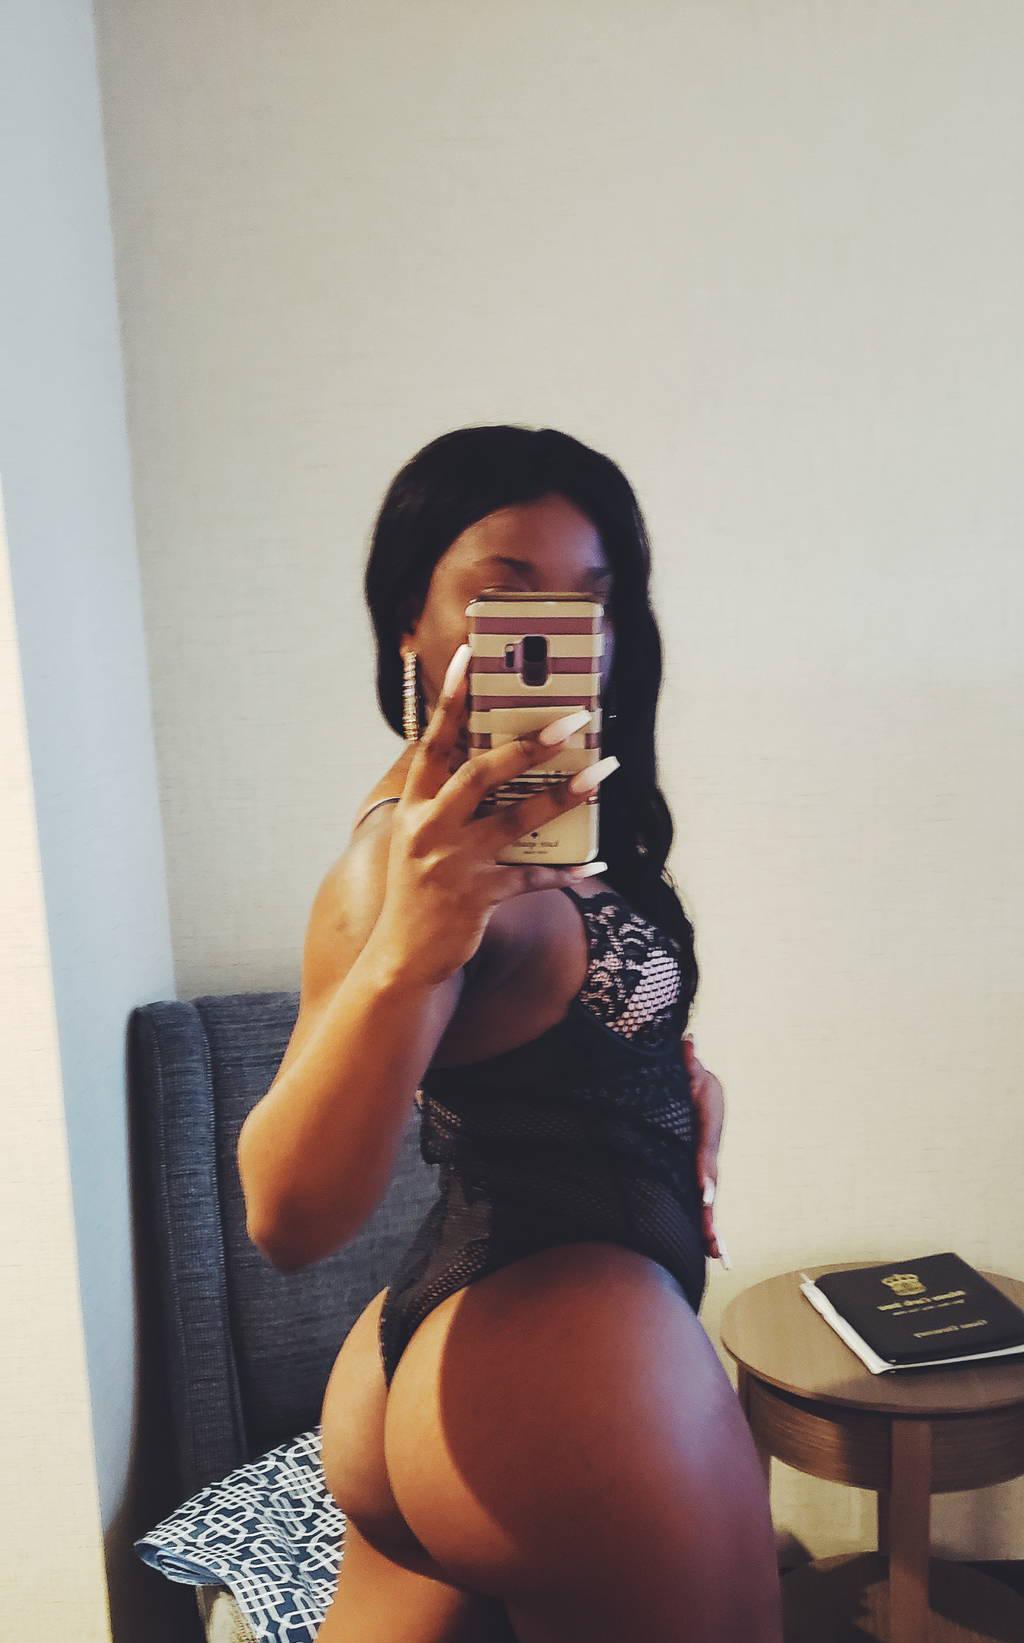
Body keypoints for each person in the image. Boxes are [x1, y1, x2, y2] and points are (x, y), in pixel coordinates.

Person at [237, 425, 782, 1642]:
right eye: (507, 593)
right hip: (560, 1366)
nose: (558, 632)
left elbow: (534, 1041)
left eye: (591, 597)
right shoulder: (409, 860)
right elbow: (288, 1214)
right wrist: (411, 948)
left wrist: (658, 1079)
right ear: (411, 621)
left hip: (464, 1358)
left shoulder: (533, 815)